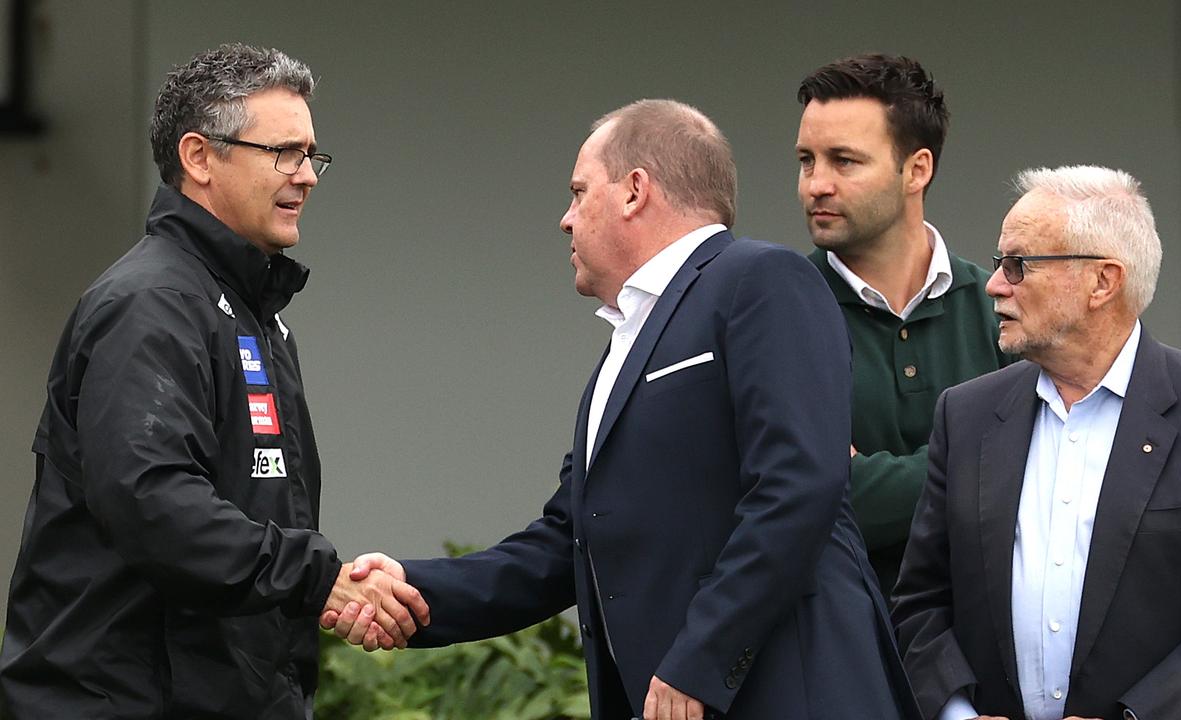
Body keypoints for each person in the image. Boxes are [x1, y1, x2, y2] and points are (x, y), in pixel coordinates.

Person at [327, 99, 921, 720]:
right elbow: (570, 540)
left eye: (579, 192)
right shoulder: (625, 343)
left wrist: (701, 660)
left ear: (635, 190)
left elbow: (800, 486)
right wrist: (411, 591)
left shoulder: (760, 278)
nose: (565, 219)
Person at [0, 43, 427, 719]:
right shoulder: (149, 305)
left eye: (311, 154)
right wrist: (317, 582)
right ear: (199, 157)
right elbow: (153, 502)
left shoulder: (251, 311)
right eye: (284, 152)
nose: (308, 175)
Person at [892, 165, 1181, 720]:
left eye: (1018, 265)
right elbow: (920, 602)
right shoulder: (967, 415)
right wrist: (955, 713)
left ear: (1103, 281)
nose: (995, 284)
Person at [794, 54, 1009, 597]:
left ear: (917, 170)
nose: (816, 184)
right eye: (807, 160)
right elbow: (806, 504)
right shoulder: (775, 315)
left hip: (979, 661)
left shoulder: (1001, 309)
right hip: (837, 655)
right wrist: (973, 469)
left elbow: (1035, 485)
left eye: (844, 161)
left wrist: (863, 478)